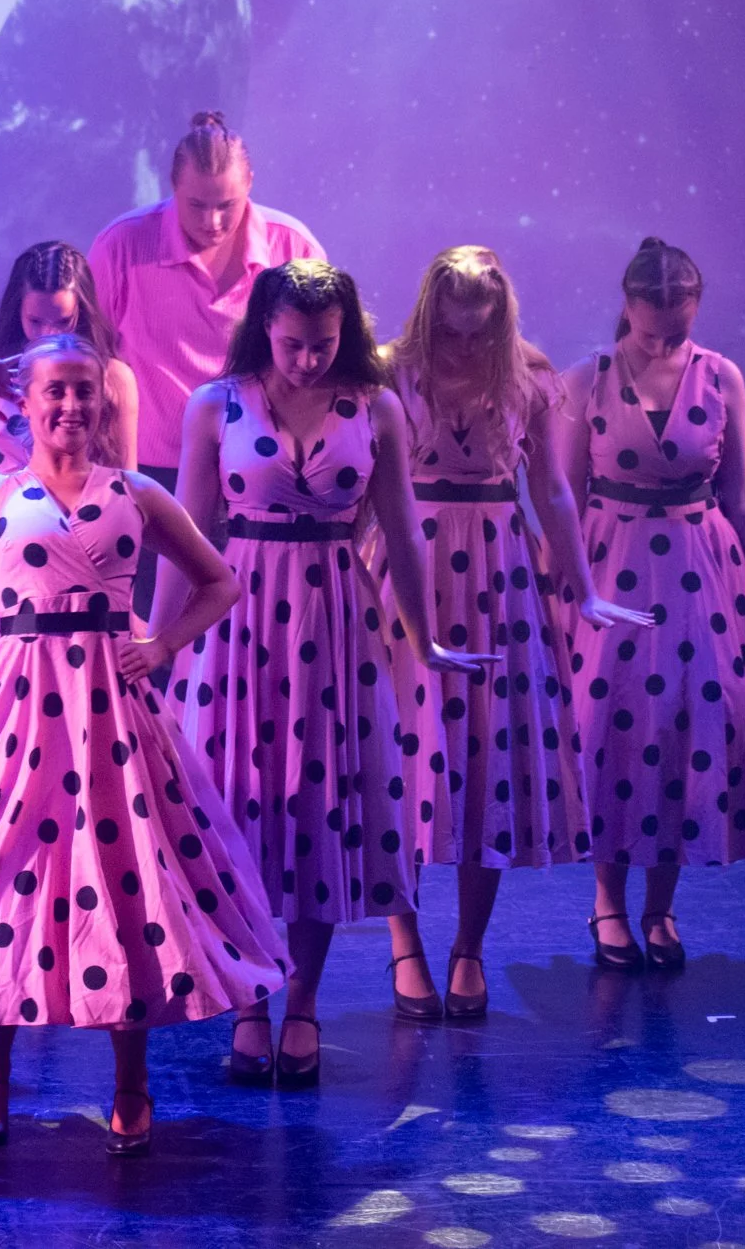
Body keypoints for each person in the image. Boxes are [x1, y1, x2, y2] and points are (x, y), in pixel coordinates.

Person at [0, 332, 285, 1156]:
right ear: (25, 400)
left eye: (85, 389)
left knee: (123, 878)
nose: (71, 404)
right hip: (21, 709)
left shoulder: (136, 493)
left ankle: (130, 1079)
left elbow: (220, 580)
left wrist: (162, 643)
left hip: (112, 714)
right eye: (54, 389)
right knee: (6, 877)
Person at [154, 259, 491, 1086]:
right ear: (265, 329)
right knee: (236, 809)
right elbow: (183, 536)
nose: (309, 360)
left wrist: (427, 638)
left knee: (321, 808)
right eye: (294, 344)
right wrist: (159, 646)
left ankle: (302, 999)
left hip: (338, 619)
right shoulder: (216, 404)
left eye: (325, 344)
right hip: (237, 621)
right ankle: (249, 999)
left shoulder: (375, 407)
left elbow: (403, 535)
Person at [374, 247, 649, 1019]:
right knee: (400, 760)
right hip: (411, 559)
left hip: (497, 567)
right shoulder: (392, 369)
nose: (466, 345)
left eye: (479, 331)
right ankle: (404, 942)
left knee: (487, 760)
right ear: (430, 313)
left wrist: (584, 589)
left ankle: (469, 945)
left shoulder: (525, 368)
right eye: (453, 331)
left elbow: (552, 489)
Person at [558, 238, 745, 970]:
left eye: (677, 331)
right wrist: (565, 587)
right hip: (614, 564)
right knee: (611, 725)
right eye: (651, 330)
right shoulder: (588, 378)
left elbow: (741, 495)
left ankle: (660, 906)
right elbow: (563, 497)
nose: (663, 343)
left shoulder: (720, 375)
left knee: (686, 725)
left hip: (700, 569)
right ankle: (608, 902)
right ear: (628, 306)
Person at [0, 241, 139, 793]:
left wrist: (129, 605)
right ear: (15, 311)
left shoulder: (111, 377)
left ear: (82, 309)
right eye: (34, 320)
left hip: (80, 563)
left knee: (72, 732)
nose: (47, 333)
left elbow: (130, 499)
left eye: (61, 320)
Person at [88, 112, 324, 614]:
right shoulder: (123, 246)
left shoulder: (291, 246)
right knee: (153, 629)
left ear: (250, 184)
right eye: (196, 205)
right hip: (153, 474)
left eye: (227, 205)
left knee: (254, 625)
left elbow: (325, 355)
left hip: (261, 471)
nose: (212, 222)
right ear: (172, 186)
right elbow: (88, 358)